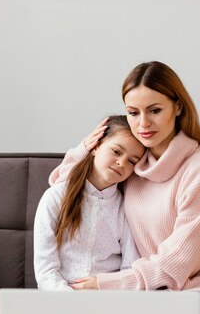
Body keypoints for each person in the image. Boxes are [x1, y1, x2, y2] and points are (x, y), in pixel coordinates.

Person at [49, 61, 200, 314]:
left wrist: (104, 285)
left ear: (178, 107)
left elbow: (177, 264)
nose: (143, 124)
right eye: (133, 113)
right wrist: (84, 148)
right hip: (156, 295)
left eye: (155, 110)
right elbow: (63, 189)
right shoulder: (133, 164)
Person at [34, 115, 146, 291]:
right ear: (96, 147)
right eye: (116, 151)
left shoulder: (126, 208)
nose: (121, 162)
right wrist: (71, 299)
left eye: (132, 161)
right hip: (59, 299)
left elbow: (129, 268)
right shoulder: (55, 198)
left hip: (108, 301)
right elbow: (45, 272)